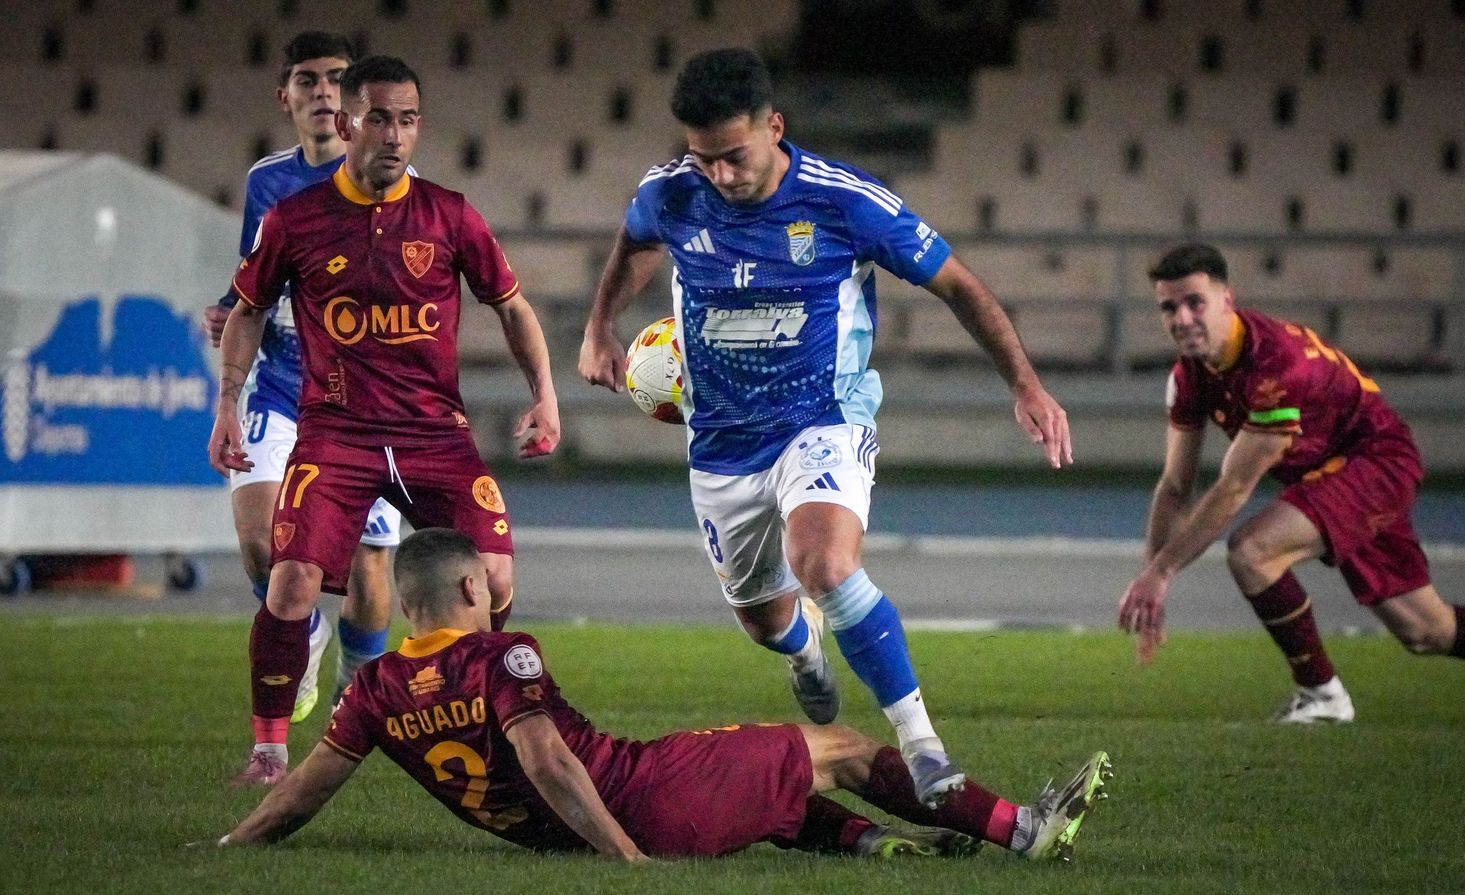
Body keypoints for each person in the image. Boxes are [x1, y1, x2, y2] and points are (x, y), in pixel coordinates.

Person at [577, 48, 1072, 808]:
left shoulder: (844, 202)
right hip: (720, 443)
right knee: (764, 618)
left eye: (735, 156)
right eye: (704, 159)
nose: (721, 175)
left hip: (823, 417)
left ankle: (924, 748)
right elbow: (636, 242)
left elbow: (959, 284)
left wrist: (1027, 384)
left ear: (775, 127)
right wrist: (600, 326)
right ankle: (804, 650)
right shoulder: (672, 192)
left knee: (826, 564)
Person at [214, 528, 1113, 862]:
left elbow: (308, 787)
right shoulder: (499, 655)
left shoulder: (373, 688)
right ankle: (1023, 833)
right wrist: (623, 854)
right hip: (639, 800)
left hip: (562, 829)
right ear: (462, 594)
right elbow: (549, 757)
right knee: (833, 743)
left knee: (770, 779)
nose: (497, 592)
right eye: (486, 584)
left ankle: (885, 848)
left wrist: (232, 841)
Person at [208, 55, 561, 786]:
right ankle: (269, 751)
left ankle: (494, 730)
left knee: (491, 582)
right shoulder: (296, 220)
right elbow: (246, 311)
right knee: (292, 580)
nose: (395, 135)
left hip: (435, 435)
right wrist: (227, 405)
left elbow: (512, 306)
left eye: (407, 119)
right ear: (346, 124)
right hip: (337, 434)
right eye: (379, 118)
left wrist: (544, 393)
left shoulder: (450, 213)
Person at [1116, 242, 1465, 722]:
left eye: (1194, 302)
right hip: (1329, 477)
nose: (1182, 318)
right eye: (1168, 307)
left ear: (1227, 298)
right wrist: (1150, 579)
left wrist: (1161, 574)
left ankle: (1322, 696)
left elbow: (1234, 489)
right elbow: (1175, 487)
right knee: (1427, 631)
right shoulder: (1188, 377)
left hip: (1375, 461)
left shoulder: (1276, 366)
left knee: (1253, 551)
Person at [202, 32, 403, 726]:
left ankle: (361, 683)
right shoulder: (267, 181)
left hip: (362, 401)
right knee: (261, 540)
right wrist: (232, 307)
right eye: (308, 80)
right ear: (284, 95)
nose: (322, 92)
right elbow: (258, 276)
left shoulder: (385, 182)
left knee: (368, 572)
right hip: (282, 383)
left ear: (354, 101)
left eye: (335, 79)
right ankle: (304, 631)